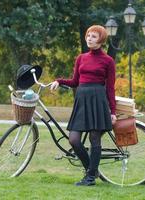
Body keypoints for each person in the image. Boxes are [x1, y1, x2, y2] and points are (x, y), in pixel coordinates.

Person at [50, 25, 117, 186]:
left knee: (95, 139)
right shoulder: (81, 58)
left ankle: (90, 178)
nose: (89, 39)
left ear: (101, 40)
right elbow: (75, 82)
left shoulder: (108, 61)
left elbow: (110, 87)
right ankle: (92, 170)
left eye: (94, 36)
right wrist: (59, 81)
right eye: (88, 35)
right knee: (73, 139)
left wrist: (112, 111)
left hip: (98, 101)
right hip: (81, 101)